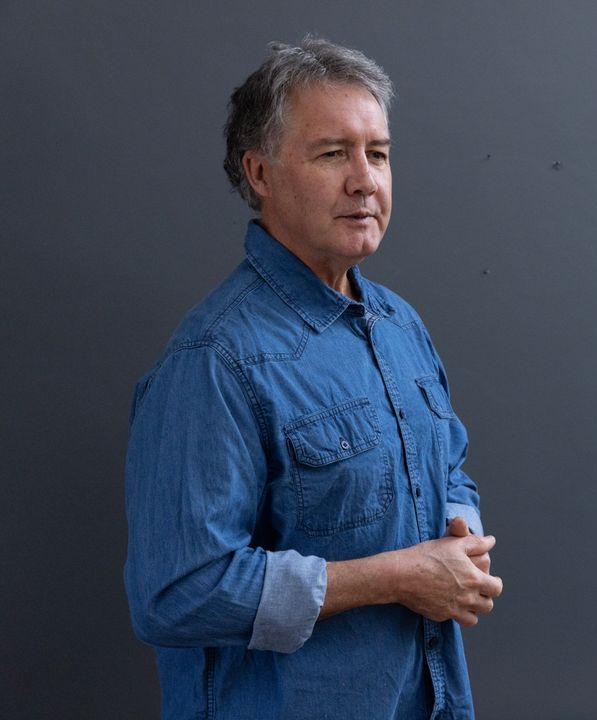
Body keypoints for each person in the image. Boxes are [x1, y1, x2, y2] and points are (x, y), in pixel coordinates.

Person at [123, 36, 502, 720]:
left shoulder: (399, 325)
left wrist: (458, 528)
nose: (366, 180)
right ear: (259, 173)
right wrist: (397, 578)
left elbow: (448, 466)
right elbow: (175, 591)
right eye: (333, 154)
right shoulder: (214, 359)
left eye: (378, 154)